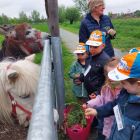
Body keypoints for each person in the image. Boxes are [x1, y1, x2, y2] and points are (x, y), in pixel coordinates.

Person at [85, 51, 140, 140]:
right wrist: (97, 111)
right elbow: (114, 105)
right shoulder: (125, 93)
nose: (121, 84)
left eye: (123, 82)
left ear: (138, 84)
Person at [83, 57, 122, 139]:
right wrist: (89, 104)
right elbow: (101, 98)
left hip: (116, 127)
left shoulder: (125, 92)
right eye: (109, 74)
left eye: (115, 74)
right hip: (104, 122)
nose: (111, 78)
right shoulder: (106, 87)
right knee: (101, 135)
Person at [80, 30, 110, 98]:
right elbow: (87, 70)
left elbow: (108, 81)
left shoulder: (106, 61)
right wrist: (82, 77)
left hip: (99, 95)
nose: (92, 49)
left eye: (95, 47)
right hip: (89, 91)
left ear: (103, 46)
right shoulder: (90, 57)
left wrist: (98, 92)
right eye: (90, 46)